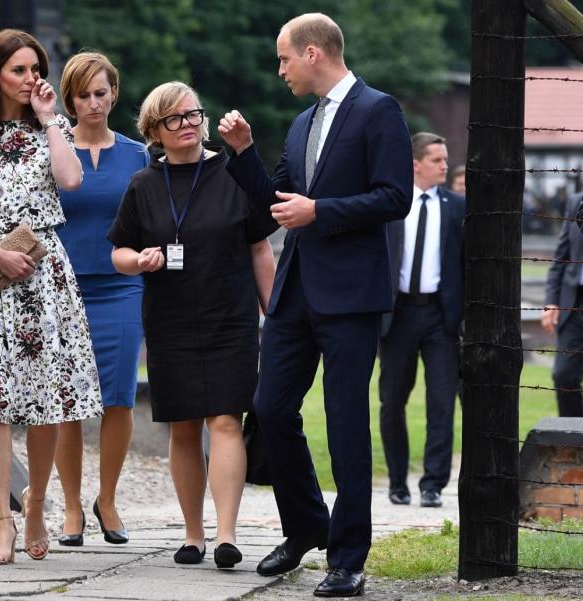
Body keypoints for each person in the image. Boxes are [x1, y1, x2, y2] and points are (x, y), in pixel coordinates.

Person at [218, 12, 411, 597]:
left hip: (352, 298)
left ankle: (348, 558)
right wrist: (244, 152)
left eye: (283, 59)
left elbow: (394, 197)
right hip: (294, 293)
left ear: (312, 53)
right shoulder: (302, 123)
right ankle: (306, 527)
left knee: (348, 425)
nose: (279, 70)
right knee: (270, 410)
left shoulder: (380, 111)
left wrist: (320, 212)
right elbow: (275, 198)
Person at [0, 29, 103, 565]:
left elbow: (71, 181)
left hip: (46, 272)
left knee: (48, 398)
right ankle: (2, 522)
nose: (32, 78)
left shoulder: (51, 127)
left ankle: (35, 506)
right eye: (20, 70)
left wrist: (53, 122)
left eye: (37, 68)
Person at [108, 81, 276, 570]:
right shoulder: (143, 184)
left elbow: (260, 248)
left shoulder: (233, 173)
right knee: (183, 427)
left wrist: (275, 315)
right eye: (173, 119)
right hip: (170, 319)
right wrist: (137, 260)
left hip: (230, 316)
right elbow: (117, 251)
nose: (187, 125)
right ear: (154, 131)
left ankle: (226, 535)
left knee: (226, 420)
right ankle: (192, 534)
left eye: (192, 115)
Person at [52, 51, 148, 547]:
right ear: (69, 98)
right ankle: (71, 507)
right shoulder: (51, 148)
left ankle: (106, 498)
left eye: (101, 92)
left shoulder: (136, 154)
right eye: (84, 94)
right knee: (68, 400)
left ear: (114, 93)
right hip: (63, 287)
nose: (93, 102)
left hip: (122, 285)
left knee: (119, 397)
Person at [379, 132, 465, 508]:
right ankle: (397, 482)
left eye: (445, 159)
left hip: (439, 317)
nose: (445, 166)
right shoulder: (392, 204)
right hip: (397, 316)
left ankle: (433, 483)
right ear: (415, 163)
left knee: (442, 402)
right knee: (392, 400)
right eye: (437, 160)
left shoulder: (457, 206)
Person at [543, 182, 583, 418]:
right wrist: (551, 301)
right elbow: (560, 258)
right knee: (564, 376)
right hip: (577, 302)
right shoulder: (577, 202)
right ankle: (577, 441)